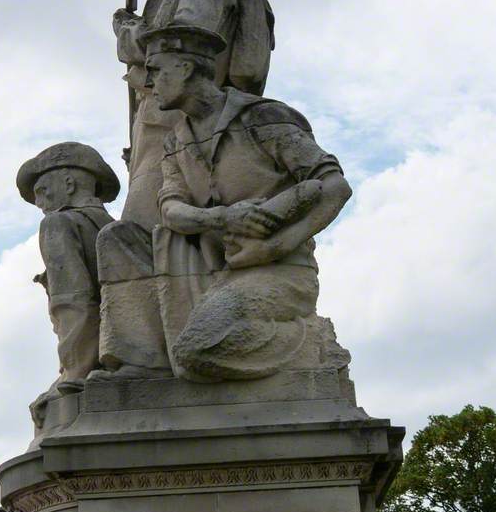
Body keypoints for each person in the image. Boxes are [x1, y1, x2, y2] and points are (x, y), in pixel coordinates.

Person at [96, 24, 351, 382]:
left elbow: (335, 186)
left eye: (155, 69)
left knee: (196, 350)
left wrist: (277, 244)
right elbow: (171, 208)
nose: (149, 82)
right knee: (116, 237)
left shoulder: (263, 117)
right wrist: (222, 217)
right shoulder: (175, 141)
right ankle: (142, 359)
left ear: (185, 67)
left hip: (275, 273)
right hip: (207, 266)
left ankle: (311, 343)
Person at [113, 0, 272, 230]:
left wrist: (127, 34)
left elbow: (185, 44)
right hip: (163, 114)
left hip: (177, 115)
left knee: (139, 226)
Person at [15, 143, 119, 426]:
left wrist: (72, 375)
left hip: (86, 376)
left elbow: (72, 302)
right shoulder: (115, 227)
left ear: (69, 183)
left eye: (42, 191)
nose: (40, 203)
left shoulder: (58, 223)